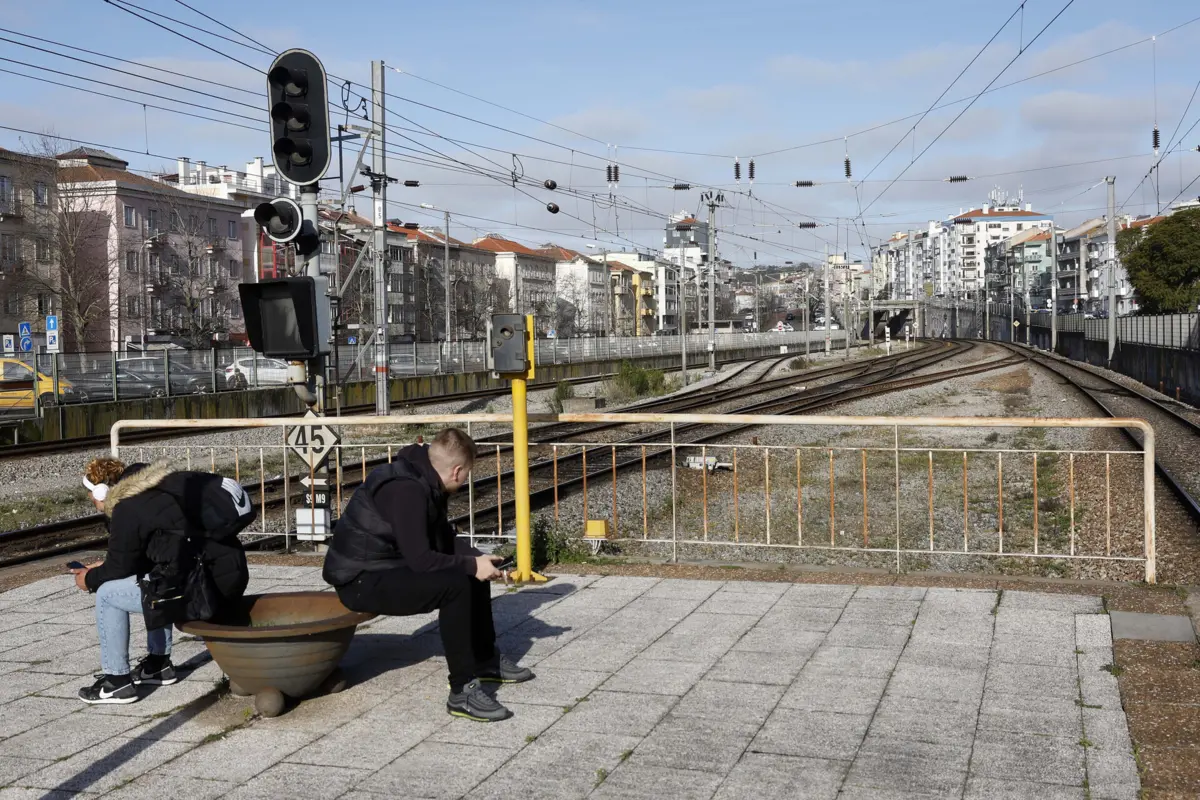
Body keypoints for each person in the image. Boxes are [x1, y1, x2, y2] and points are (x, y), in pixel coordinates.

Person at [323, 427, 533, 722]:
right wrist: (471, 566)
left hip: (387, 564)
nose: (465, 480)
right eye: (467, 474)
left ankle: (485, 660)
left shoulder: (425, 478)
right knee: (457, 585)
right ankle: (462, 691)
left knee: (472, 572)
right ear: (457, 471)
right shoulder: (407, 490)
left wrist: (479, 560)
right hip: (360, 579)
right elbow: (421, 559)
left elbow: (442, 539)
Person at [72, 458, 253, 705]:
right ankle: (158, 666)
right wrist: (105, 567)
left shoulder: (127, 507)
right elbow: (145, 556)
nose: (92, 503)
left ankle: (116, 682)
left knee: (107, 594)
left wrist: (90, 578)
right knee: (155, 578)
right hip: (229, 575)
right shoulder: (159, 488)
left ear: (101, 492)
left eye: (90, 497)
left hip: (204, 591)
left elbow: (120, 566)